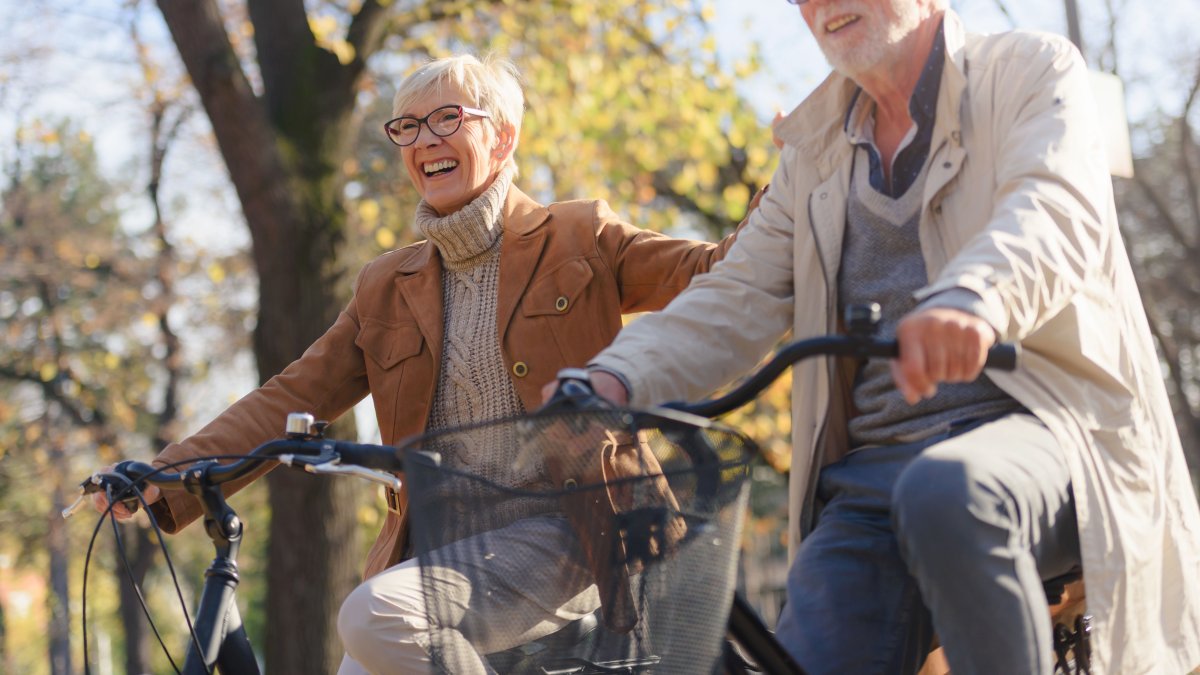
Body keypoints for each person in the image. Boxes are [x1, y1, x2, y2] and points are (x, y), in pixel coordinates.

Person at [568, 0, 1200, 673]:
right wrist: (613, 376)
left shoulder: (1029, 70)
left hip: (1049, 432)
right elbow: (734, 293)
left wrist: (973, 298)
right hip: (871, 483)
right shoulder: (813, 153)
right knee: (799, 652)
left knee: (947, 492)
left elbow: (1051, 209)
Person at [93, 53, 752, 674]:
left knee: (376, 616)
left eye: (447, 118)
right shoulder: (386, 286)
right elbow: (292, 394)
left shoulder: (580, 236)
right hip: (438, 554)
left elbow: (713, 271)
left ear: (503, 136)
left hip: (574, 531)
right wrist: (163, 475)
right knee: (369, 640)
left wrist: (790, 186)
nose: (424, 139)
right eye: (406, 126)